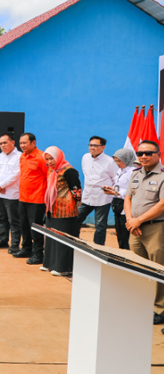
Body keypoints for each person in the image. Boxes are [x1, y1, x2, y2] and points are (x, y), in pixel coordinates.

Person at [123, 140, 164, 324]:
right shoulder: (136, 173)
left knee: (158, 268)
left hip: (155, 228)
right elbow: (128, 198)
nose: (143, 157)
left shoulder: (162, 176)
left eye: (148, 153)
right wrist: (131, 221)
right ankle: (139, 303)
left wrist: (138, 220)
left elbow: (162, 204)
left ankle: (159, 308)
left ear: (158, 154)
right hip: (135, 229)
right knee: (137, 266)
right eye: (140, 154)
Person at [42, 146, 82, 277]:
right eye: (47, 159)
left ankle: (64, 267)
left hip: (66, 210)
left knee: (62, 238)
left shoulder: (69, 171)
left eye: (52, 158)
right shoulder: (51, 170)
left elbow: (76, 191)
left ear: (58, 156)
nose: (49, 161)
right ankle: (50, 263)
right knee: (51, 236)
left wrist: (75, 205)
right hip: (51, 208)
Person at [77, 136, 118, 246]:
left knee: (100, 225)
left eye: (95, 145)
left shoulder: (109, 161)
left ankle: (98, 248)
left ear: (103, 147)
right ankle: (74, 243)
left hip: (102, 198)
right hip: (87, 196)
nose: (92, 147)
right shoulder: (85, 157)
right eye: (90, 145)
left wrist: (112, 192)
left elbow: (116, 179)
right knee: (76, 219)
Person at [17, 133, 48, 265]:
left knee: (35, 227)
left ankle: (38, 253)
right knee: (24, 225)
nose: (22, 145)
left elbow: (49, 176)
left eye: (25, 143)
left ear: (33, 143)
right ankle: (26, 248)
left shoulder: (41, 157)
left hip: (37, 198)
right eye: (21, 143)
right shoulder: (22, 156)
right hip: (23, 197)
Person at [102, 148, 136, 250]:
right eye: (116, 161)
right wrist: (111, 188)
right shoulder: (120, 171)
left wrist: (115, 192)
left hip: (127, 206)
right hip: (117, 205)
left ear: (126, 159)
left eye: (119, 161)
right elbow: (119, 186)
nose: (117, 163)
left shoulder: (133, 172)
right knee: (119, 233)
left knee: (126, 235)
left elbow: (133, 191)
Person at [0, 133, 21, 251]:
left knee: (13, 220)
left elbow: (16, 175)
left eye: (5, 142)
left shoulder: (20, 156)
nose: (2, 145)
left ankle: (15, 244)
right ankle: (3, 239)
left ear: (13, 142)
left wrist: (1, 185)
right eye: (0, 143)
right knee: (1, 218)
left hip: (12, 194)